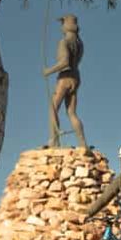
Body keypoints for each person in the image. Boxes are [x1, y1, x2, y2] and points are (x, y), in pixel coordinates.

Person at [43, 14, 87, 148]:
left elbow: (64, 62)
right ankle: (82, 143)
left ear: (66, 25)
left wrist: (48, 71)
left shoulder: (64, 42)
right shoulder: (79, 43)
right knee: (71, 112)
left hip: (65, 77)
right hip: (76, 77)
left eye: (63, 24)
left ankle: (54, 140)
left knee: (53, 108)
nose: (61, 27)